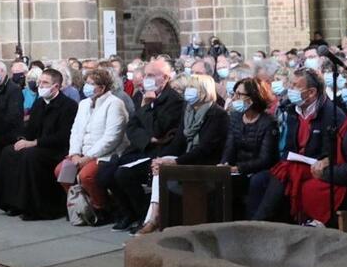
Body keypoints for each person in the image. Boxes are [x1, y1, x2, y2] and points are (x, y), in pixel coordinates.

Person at [134, 74, 228, 234]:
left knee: (165, 168)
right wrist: (161, 159)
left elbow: (204, 148)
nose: (188, 92)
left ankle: (153, 220)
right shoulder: (188, 109)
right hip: (188, 156)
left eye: (193, 88)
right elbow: (179, 141)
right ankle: (154, 218)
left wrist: (175, 163)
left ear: (204, 91)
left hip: (206, 162)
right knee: (160, 166)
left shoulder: (217, 114)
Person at [251, 68, 345, 222]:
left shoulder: (332, 114)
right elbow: (288, 146)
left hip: (317, 166)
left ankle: (258, 223)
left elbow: (332, 151)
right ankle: (256, 222)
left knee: (286, 171)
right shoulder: (291, 110)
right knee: (259, 180)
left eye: (295, 86)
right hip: (293, 164)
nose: (290, 90)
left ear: (311, 92)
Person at [0, 68, 78, 221]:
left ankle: (34, 207)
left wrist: (34, 142)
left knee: (30, 156)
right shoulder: (39, 103)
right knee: (9, 152)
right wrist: (22, 139)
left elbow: (63, 136)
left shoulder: (68, 106)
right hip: (37, 145)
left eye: (45, 83)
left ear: (56, 86)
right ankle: (11, 203)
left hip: (56, 149)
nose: (40, 86)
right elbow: (30, 129)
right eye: (40, 82)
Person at [107, 58, 184, 232]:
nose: (146, 79)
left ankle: (144, 215)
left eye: (151, 75)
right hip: (143, 147)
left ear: (164, 78)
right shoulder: (144, 96)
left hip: (158, 153)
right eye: (146, 75)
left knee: (124, 174)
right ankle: (128, 213)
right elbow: (132, 127)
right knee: (107, 171)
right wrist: (148, 138)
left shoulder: (173, 101)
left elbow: (158, 129)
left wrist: (147, 107)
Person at [54, 69, 128, 226]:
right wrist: (74, 153)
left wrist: (87, 157)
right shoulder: (84, 104)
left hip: (105, 153)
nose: (86, 87)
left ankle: (101, 207)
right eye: (86, 83)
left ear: (102, 88)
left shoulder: (114, 104)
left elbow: (112, 137)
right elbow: (76, 130)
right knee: (61, 171)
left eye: (91, 84)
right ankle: (80, 204)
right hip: (81, 153)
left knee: (86, 176)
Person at [298, 70, 347, 225]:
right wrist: (328, 161)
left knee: (311, 188)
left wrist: (325, 173)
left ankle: (325, 227)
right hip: (346, 173)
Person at [219, 77, 279, 219]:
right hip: (238, 168)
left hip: (261, 170)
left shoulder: (269, 122)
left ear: (252, 98)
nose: (235, 98)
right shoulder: (235, 117)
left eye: (239, 95)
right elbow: (230, 146)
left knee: (256, 181)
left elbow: (266, 158)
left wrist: (238, 168)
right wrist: (224, 164)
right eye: (235, 94)